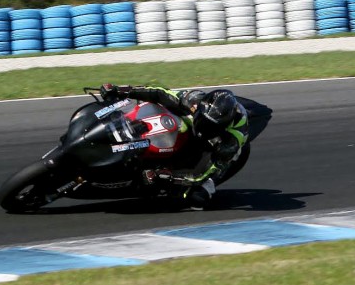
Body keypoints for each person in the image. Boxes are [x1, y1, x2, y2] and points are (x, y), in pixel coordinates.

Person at [100, 84, 249, 207]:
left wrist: (171, 177)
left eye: (208, 125)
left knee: (197, 198)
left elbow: (204, 173)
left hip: (216, 155)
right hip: (183, 124)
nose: (203, 124)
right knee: (147, 103)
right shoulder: (193, 99)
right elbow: (159, 91)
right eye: (202, 118)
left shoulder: (230, 142)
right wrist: (122, 90)